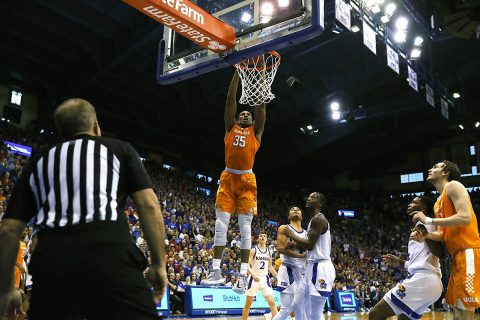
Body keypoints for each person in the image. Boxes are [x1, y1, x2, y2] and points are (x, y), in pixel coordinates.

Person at [0, 98, 167, 320]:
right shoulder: (120, 149)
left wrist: (6, 289)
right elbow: (149, 204)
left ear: (62, 132)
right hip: (111, 255)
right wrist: (158, 264)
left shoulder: (38, 162)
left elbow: (9, 230)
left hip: (52, 262)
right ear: (96, 126)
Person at [201, 68, 267, 294]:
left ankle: (241, 276)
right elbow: (230, 100)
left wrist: (259, 81)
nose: (246, 114)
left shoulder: (256, 133)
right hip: (228, 178)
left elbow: (261, 110)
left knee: (245, 228)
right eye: (243, 113)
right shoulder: (230, 128)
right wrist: (238, 73)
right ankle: (216, 271)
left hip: (247, 179)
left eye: (249, 114)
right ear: (237, 118)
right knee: (221, 226)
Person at [411, 160, 480, 319]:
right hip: (456, 256)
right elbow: (443, 234)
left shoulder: (454, 186)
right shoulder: (437, 203)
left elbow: (465, 218)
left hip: (469, 251)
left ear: (445, 173)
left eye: (436, 167)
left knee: (464, 310)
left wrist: (428, 221)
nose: (430, 168)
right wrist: (426, 235)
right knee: (458, 310)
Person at [369, 196, 445, 320]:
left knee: (375, 315)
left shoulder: (428, 224)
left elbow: (441, 253)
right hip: (429, 282)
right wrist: (400, 261)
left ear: (423, 208)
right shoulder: (420, 226)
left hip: (423, 279)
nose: (410, 204)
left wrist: (425, 233)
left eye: (414, 202)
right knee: (403, 318)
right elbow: (420, 262)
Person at [283, 192, 335, 320]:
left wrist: (292, 234)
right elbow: (310, 244)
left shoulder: (319, 219)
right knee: (297, 305)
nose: (308, 198)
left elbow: (310, 245)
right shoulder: (313, 220)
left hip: (321, 267)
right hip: (311, 267)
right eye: (309, 196)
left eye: (313, 197)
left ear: (320, 203)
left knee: (314, 312)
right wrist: (296, 245)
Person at [272, 206, 307, 320]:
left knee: (301, 308)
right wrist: (300, 255)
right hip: (288, 271)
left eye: (298, 209)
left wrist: (298, 247)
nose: (295, 210)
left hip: (302, 272)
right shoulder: (284, 228)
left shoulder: (306, 233)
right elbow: (281, 249)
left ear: (302, 216)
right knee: (285, 310)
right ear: (288, 216)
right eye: (292, 209)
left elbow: (310, 250)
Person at [242, 231, 278, 320]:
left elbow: (270, 266)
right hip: (254, 278)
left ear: (266, 239)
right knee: (248, 304)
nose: (262, 237)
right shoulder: (254, 250)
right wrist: (253, 275)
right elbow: (247, 264)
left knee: (272, 302)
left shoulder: (269, 251)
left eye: (264, 236)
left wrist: (277, 277)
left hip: (265, 278)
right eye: (260, 236)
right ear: (258, 239)